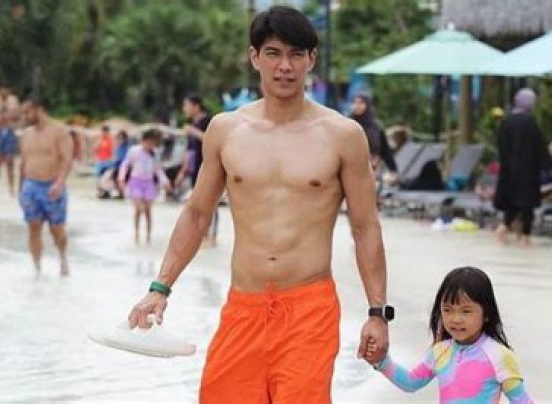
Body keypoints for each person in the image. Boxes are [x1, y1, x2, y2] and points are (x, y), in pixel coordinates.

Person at [127, 6, 390, 404]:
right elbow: (197, 214)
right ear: (254, 57)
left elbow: (365, 226)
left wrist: (377, 313)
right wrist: (159, 288)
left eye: (296, 54)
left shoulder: (343, 136)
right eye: (273, 53)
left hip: (309, 309)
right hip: (243, 308)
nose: (285, 66)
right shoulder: (226, 130)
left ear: (311, 59)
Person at [366, 266, 533, 403]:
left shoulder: (499, 356)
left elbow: (522, 401)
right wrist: (381, 362)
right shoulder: (440, 352)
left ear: (487, 314)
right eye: (447, 310)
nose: (455, 319)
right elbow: (411, 382)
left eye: (466, 311)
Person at [19, 97, 73, 276]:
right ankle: (37, 267)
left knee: (57, 229)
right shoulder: (26, 134)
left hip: (52, 184)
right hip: (30, 185)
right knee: (33, 227)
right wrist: (21, 189)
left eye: (27, 112)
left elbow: (66, 159)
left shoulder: (59, 131)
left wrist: (59, 182)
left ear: (39, 109)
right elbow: (23, 162)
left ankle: (63, 258)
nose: (25, 116)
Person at [493, 88, 545, 247]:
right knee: (527, 205)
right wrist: (546, 166)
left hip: (509, 171)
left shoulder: (506, 122)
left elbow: (500, 146)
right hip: (528, 172)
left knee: (513, 203)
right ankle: (523, 237)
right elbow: (539, 148)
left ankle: (508, 231)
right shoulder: (531, 123)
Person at [174, 93, 219, 246]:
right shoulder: (192, 124)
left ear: (196, 106)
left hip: (209, 166)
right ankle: (202, 234)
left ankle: (212, 235)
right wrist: (182, 171)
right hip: (195, 168)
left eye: (186, 105)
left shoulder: (209, 121)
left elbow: (213, 141)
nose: (184, 109)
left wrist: (193, 131)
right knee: (199, 203)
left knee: (211, 201)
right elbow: (190, 151)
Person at [118, 129, 171, 244]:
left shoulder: (155, 154)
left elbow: (158, 169)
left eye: (153, 143)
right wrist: (121, 178)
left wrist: (165, 181)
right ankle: (136, 234)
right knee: (139, 209)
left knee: (148, 211)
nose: (150, 145)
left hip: (149, 183)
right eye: (148, 142)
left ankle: (148, 236)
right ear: (143, 141)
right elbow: (125, 165)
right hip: (136, 182)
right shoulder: (134, 151)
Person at [349, 93, 397, 178]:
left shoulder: (376, 126)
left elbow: (385, 149)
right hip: (350, 167)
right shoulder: (348, 124)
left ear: (367, 105)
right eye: (354, 103)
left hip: (371, 168)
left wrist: (393, 169)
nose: (357, 106)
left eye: (361, 103)